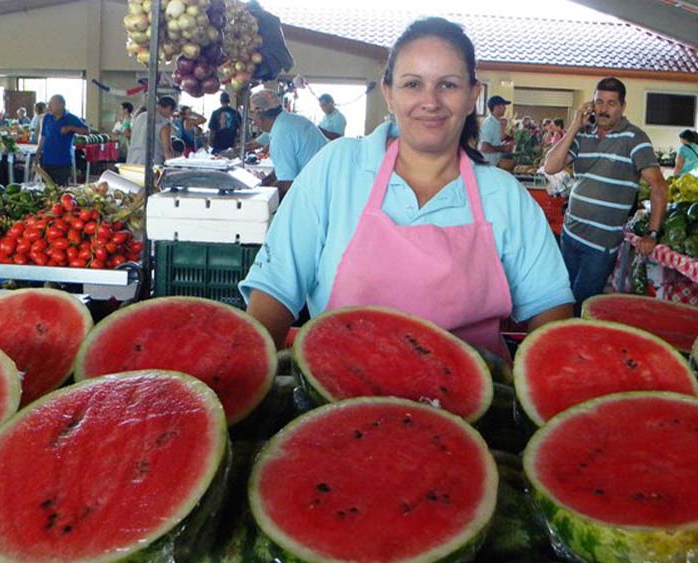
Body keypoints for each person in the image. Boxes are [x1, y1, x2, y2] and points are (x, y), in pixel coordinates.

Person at [239, 17, 574, 355]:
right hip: (338, 389)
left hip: (471, 403)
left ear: (473, 95)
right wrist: (253, 375)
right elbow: (275, 286)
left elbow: (550, 306)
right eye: (413, 84)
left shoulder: (505, 195)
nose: (430, 101)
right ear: (389, 93)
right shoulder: (338, 167)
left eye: (449, 85)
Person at [543, 77, 669, 313]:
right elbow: (550, 166)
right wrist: (574, 126)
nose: (604, 109)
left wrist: (652, 233)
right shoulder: (584, 135)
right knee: (559, 298)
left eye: (611, 103)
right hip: (570, 235)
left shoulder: (635, 139)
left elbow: (659, 186)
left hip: (599, 246)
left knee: (581, 307)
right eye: (599, 102)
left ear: (622, 106)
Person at [249, 89, 327, 196]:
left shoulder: (280, 135)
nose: (253, 121)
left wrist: (261, 197)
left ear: (259, 114)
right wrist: (263, 183)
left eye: (252, 114)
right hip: (325, 182)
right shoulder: (293, 120)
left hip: (317, 191)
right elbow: (283, 170)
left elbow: (287, 184)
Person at [36, 95, 89, 186]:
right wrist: (37, 154)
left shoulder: (71, 118)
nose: (49, 106)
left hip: (62, 162)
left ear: (62, 105)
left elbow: (87, 131)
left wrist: (70, 128)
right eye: (49, 104)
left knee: (61, 190)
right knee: (47, 190)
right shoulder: (47, 118)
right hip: (46, 161)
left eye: (52, 104)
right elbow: (43, 137)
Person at [126, 96, 176, 165]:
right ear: (169, 108)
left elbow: (132, 136)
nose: (171, 115)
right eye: (172, 112)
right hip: (151, 165)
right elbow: (167, 150)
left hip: (132, 161)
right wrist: (172, 166)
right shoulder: (164, 123)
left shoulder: (140, 116)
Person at [478, 95, 514, 166]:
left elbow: (496, 140)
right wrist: (503, 148)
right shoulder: (489, 123)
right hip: (487, 165)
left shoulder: (497, 123)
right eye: (503, 106)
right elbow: (484, 147)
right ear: (497, 107)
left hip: (493, 164)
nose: (505, 108)